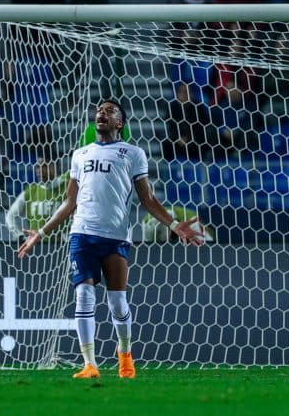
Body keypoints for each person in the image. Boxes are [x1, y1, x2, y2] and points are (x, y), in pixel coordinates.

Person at [17, 100, 205, 379]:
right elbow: (70, 202)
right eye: (99, 110)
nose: (101, 113)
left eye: (110, 110)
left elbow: (148, 199)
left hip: (116, 237)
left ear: (120, 123)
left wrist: (175, 225)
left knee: (117, 302)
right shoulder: (80, 154)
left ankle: (125, 357)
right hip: (81, 234)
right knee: (83, 295)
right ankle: (89, 364)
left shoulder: (133, 154)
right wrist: (41, 232)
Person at [5, 153, 67, 238]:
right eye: (38, 166)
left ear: (56, 167)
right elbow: (10, 215)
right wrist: (18, 235)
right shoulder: (31, 191)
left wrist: (67, 236)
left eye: (44, 166)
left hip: (59, 245)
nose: (40, 170)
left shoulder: (66, 187)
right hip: (35, 246)